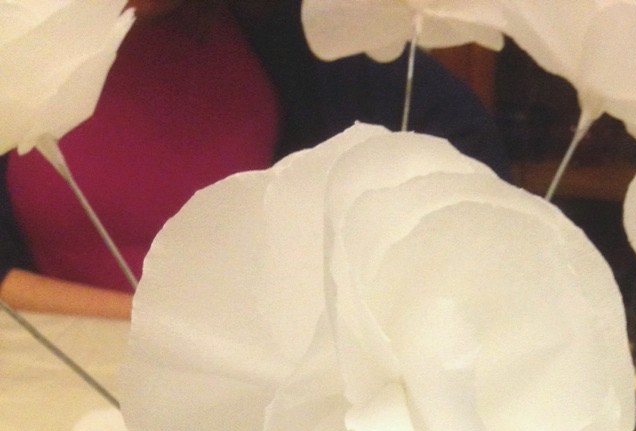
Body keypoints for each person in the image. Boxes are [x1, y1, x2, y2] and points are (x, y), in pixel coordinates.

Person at [0, 0, 508, 318]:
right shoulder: (16, 53)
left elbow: (474, 190)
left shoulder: (297, 43)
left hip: (258, 396)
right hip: (51, 383)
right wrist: (164, 327)